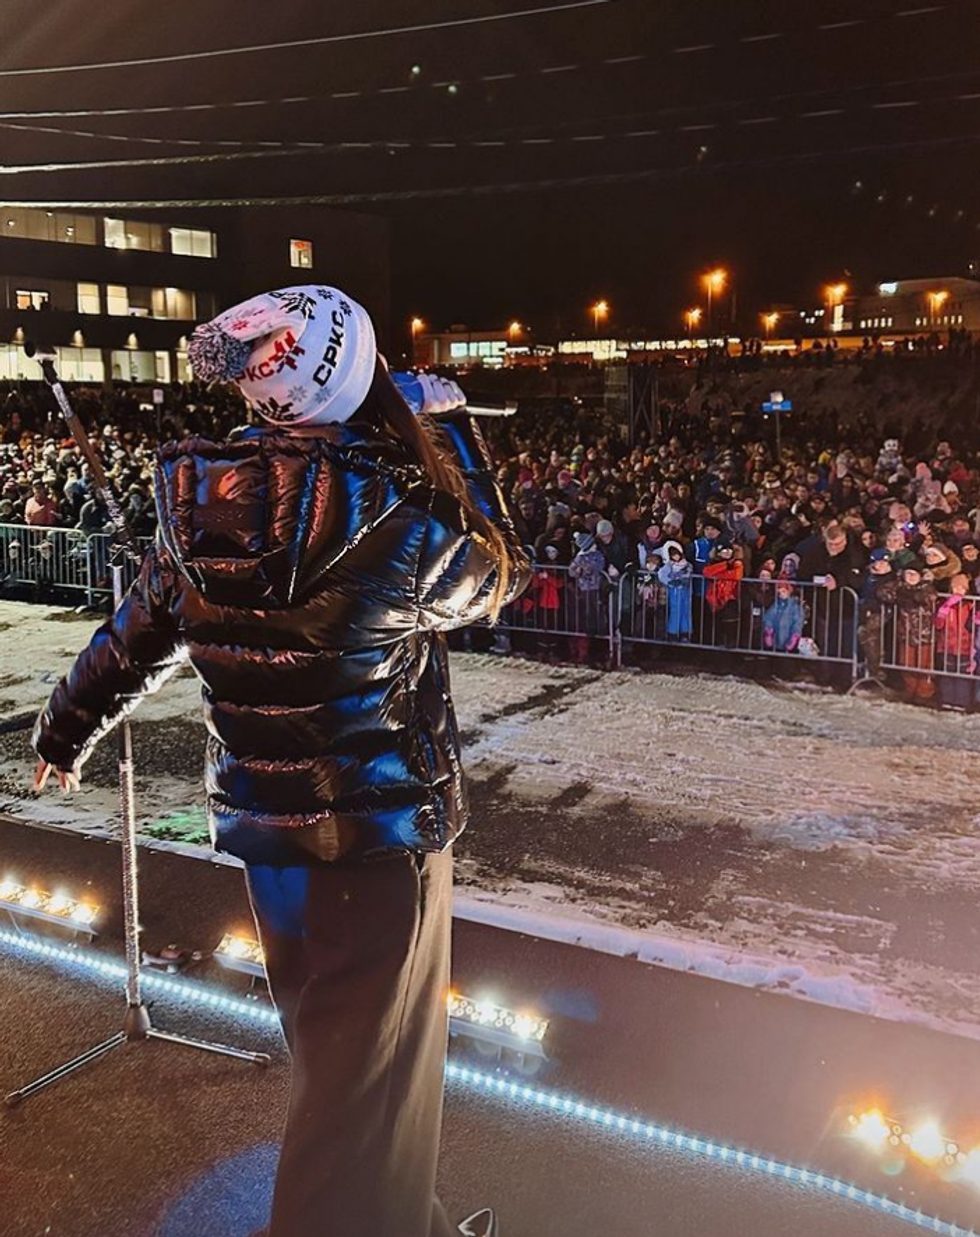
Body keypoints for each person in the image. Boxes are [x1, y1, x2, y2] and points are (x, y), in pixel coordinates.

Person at [31, 285, 530, 1237]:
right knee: (361, 1090)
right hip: (378, 838)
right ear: (354, 380)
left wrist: (67, 724)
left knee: (345, 1065)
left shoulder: (204, 506)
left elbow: (134, 635)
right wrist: (451, 429)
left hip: (271, 841)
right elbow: (498, 569)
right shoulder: (388, 510)